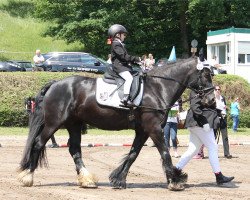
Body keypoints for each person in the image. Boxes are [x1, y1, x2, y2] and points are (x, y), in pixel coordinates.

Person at [175, 90, 234, 185]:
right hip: (201, 124)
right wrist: (204, 122)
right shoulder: (197, 90)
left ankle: (175, 171)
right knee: (212, 147)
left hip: (197, 124)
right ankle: (219, 176)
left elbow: (205, 106)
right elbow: (195, 107)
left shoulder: (204, 89)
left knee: (192, 150)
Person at [108, 24, 140, 106]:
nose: (125, 37)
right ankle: (125, 98)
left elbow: (125, 58)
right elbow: (123, 56)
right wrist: (137, 59)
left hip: (122, 65)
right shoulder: (116, 44)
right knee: (129, 78)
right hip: (119, 67)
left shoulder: (119, 44)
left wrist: (138, 62)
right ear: (118, 35)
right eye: (124, 35)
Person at [214, 85, 232, 159]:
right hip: (216, 118)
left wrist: (226, 108)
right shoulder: (212, 98)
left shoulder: (222, 98)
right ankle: (213, 153)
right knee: (214, 137)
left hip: (223, 118)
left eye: (219, 89)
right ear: (214, 90)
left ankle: (227, 153)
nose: (218, 90)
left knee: (225, 136)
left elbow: (224, 106)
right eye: (216, 89)